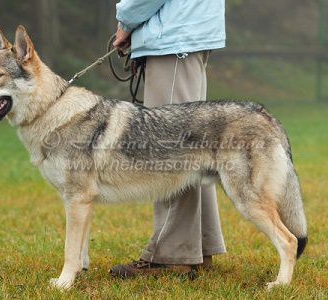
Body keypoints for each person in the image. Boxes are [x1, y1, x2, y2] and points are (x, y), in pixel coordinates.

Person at [110, 0, 227, 278]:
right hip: (187, 37)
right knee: (194, 148)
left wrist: (126, 22)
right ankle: (200, 245)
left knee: (170, 153)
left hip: (174, 40)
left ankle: (171, 254)